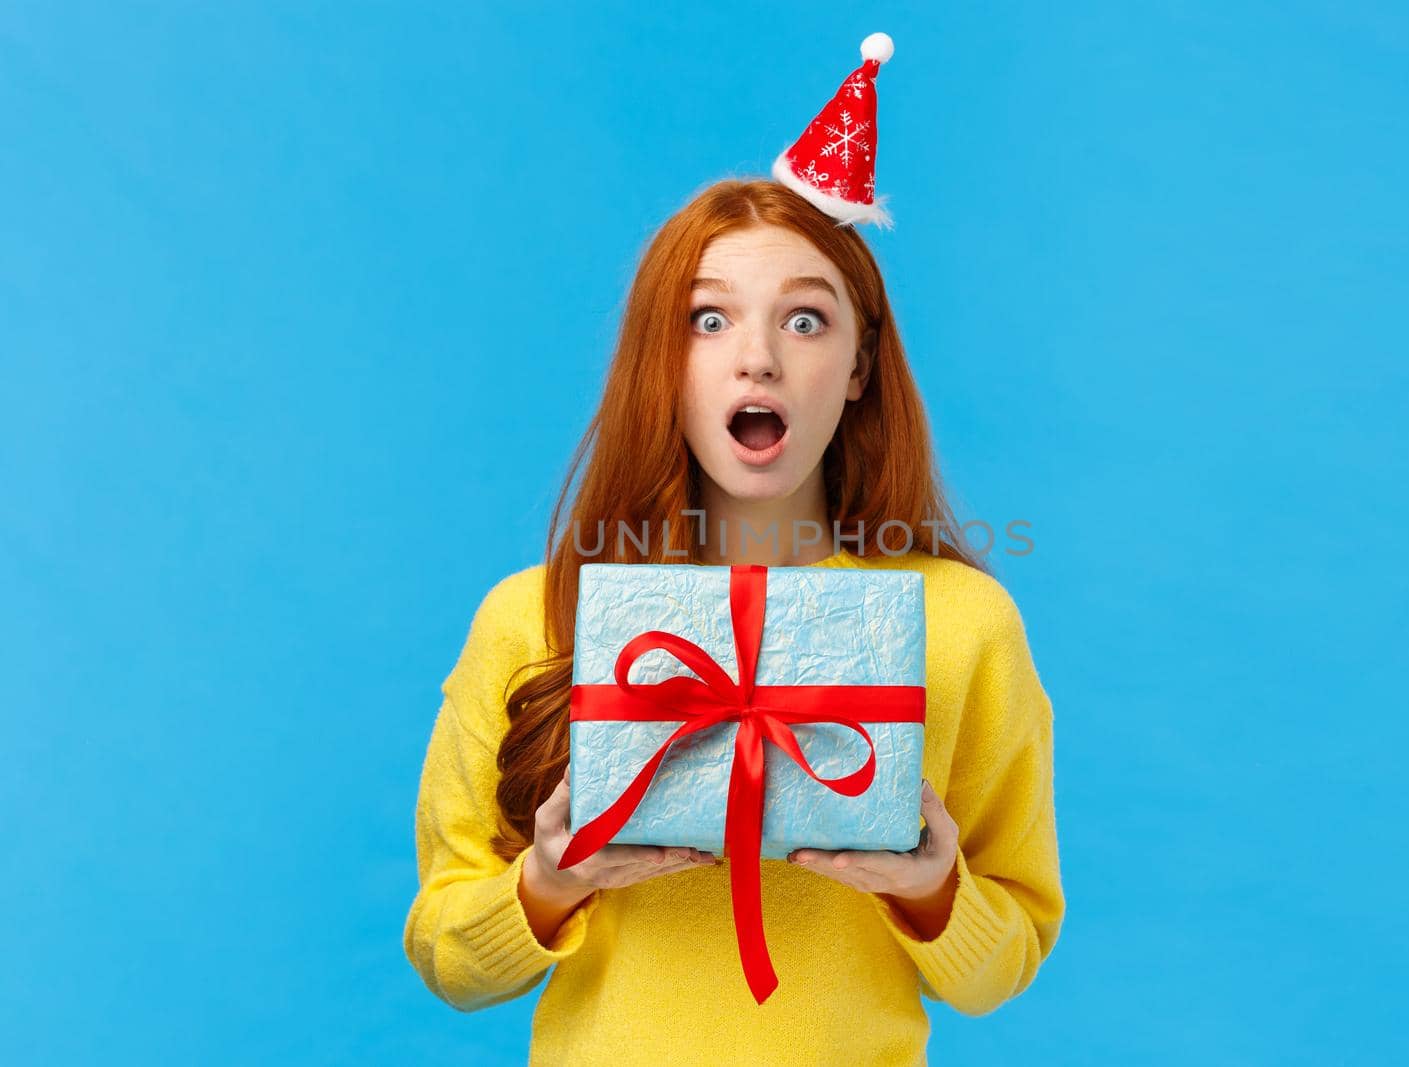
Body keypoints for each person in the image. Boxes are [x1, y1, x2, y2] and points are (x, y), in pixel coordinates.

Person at [403, 35, 1063, 1065]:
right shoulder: (534, 617)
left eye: (806, 319)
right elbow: (448, 959)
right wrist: (548, 883)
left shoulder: (962, 626)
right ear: (660, 363)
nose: (757, 355)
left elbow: (1000, 967)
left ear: (857, 366)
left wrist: (934, 888)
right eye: (708, 319)